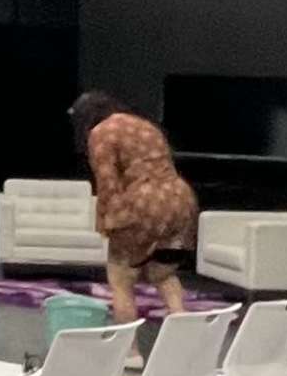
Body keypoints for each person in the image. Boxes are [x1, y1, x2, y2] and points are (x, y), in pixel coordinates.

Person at [68, 90, 198, 326]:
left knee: (121, 280)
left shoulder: (101, 133)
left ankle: (130, 353)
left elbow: (108, 184)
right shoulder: (146, 126)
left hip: (144, 203)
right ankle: (183, 337)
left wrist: (108, 225)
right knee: (164, 274)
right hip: (180, 199)